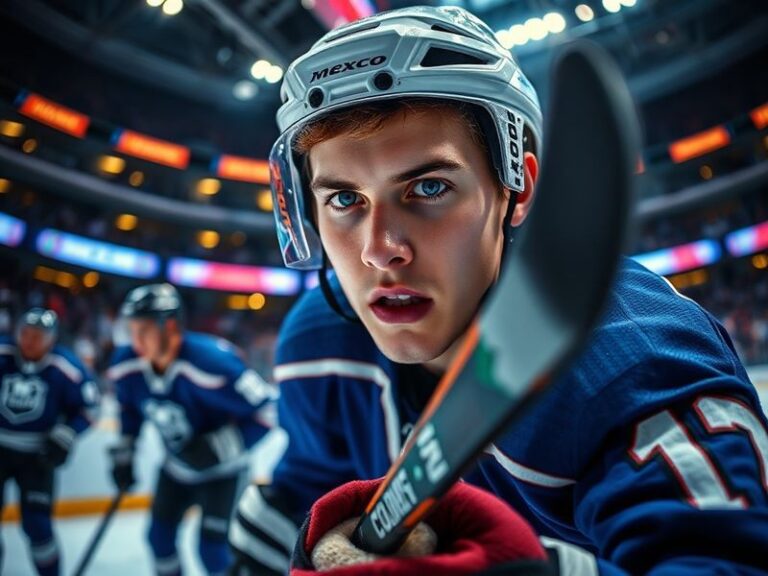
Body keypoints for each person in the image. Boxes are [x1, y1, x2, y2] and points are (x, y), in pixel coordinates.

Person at [229, 5, 768, 575]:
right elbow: (309, 475)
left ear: (520, 186)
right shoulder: (318, 342)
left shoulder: (630, 356)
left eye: (428, 187)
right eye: (343, 201)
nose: (379, 248)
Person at [107, 283, 276, 576]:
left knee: (212, 550)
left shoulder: (213, 363)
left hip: (225, 473)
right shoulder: (127, 364)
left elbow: (268, 410)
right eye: (130, 329)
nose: (135, 341)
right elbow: (129, 410)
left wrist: (219, 447)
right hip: (176, 468)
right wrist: (126, 452)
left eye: (143, 330)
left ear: (170, 326)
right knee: (159, 539)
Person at [0, 308, 100, 576]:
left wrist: (66, 434)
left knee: (37, 526)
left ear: (52, 340)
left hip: (37, 457)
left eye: (38, 336)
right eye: (26, 333)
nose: (30, 341)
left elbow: (91, 408)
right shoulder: (3, 354)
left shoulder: (67, 368)